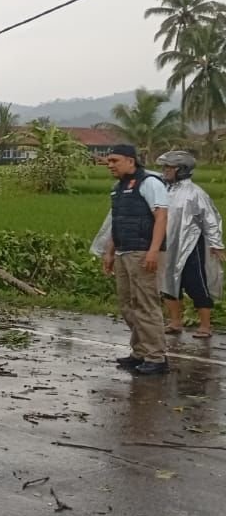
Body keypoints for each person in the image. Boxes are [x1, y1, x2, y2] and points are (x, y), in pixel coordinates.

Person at [103, 144, 170, 376]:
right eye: (109, 161)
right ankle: (140, 352)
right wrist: (110, 251)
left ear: (130, 161)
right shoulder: (118, 188)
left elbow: (161, 217)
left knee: (145, 305)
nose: (110, 165)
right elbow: (117, 222)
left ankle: (156, 357)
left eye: (115, 160)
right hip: (123, 251)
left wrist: (153, 251)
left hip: (143, 252)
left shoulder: (150, 183)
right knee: (127, 305)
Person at [156, 150, 223, 339]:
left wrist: (216, 243)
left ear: (182, 169)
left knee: (196, 284)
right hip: (166, 246)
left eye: (169, 167)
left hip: (189, 246)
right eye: (164, 167)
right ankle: (175, 322)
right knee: (168, 283)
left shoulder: (195, 193)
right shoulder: (162, 190)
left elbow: (210, 219)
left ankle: (205, 325)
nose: (165, 170)